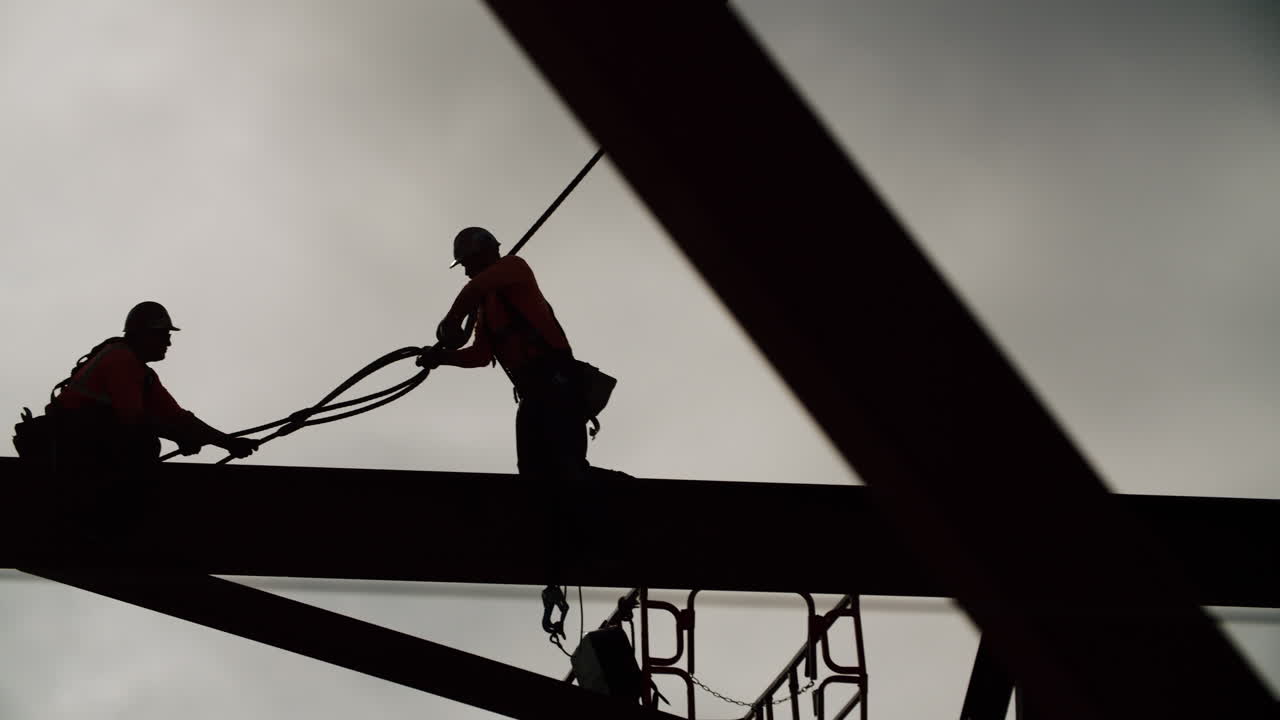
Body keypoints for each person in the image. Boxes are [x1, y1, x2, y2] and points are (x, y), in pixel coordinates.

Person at [417, 227, 588, 638]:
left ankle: (609, 504)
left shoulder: (512, 270)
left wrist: (449, 320)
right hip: (536, 390)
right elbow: (480, 356)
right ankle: (553, 550)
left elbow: (472, 292)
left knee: (566, 470)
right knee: (532, 473)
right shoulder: (486, 303)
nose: (465, 273)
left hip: (558, 381)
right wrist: (443, 358)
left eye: (469, 264)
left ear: (482, 256)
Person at [46, 300, 261, 469]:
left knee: (142, 441)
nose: (168, 342)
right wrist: (180, 437)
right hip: (72, 447)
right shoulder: (121, 359)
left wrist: (228, 443)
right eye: (163, 335)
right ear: (142, 334)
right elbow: (132, 420)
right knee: (143, 442)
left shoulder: (143, 374)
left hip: (86, 444)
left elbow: (179, 417)